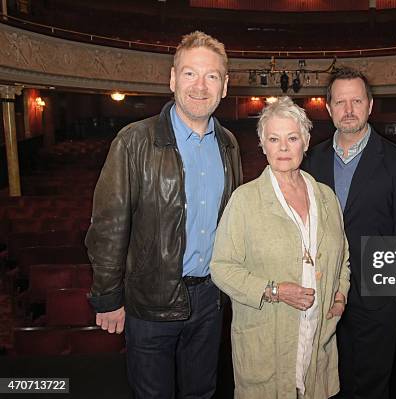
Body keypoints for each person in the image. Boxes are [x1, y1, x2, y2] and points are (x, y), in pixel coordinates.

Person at [85, 31, 242, 399]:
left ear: (224, 87)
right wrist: (108, 297)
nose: (200, 86)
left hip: (210, 300)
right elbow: (108, 226)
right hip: (149, 301)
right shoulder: (133, 141)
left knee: (201, 392)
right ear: (172, 79)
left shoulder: (229, 144)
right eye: (190, 74)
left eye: (212, 76)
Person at [210, 96, 350, 399]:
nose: (283, 148)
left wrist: (340, 293)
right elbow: (221, 268)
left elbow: (344, 256)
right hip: (266, 340)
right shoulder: (245, 200)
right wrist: (273, 290)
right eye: (274, 139)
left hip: (317, 338)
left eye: (292, 138)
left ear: (306, 141)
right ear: (263, 144)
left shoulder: (326, 197)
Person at [301, 67, 396, 399]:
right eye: (340, 102)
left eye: (356, 100)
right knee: (327, 378)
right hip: (324, 290)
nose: (349, 109)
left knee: (371, 383)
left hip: (377, 291)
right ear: (328, 108)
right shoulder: (311, 159)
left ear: (370, 105)